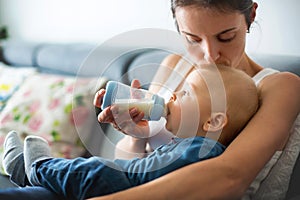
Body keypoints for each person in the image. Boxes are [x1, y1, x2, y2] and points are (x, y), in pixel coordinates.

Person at [91, 0, 300, 199]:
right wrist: (137, 136)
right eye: (193, 39)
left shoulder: (279, 86)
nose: (210, 55)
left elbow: (230, 178)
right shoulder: (173, 66)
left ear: (251, 15)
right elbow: (129, 169)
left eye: (225, 37)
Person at [2, 64, 259, 200]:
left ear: (213, 122)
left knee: (94, 169)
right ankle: (31, 173)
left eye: (184, 94)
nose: (171, 96)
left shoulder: (204, 149)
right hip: (125, 183)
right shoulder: (185, 143)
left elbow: (145, 175)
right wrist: (138, 134)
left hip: (126, 188)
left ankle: (37, 167)